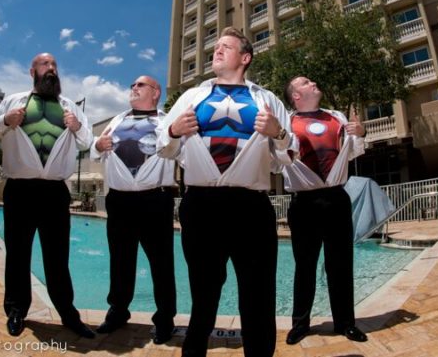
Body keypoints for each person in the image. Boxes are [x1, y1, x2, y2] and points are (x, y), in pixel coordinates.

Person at [157, 27, 296, 357]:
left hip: (251, 207)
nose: (216, 51)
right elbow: (163, 146)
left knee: (258, 296)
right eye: (216, 47)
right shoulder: (191, 96)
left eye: (226, 47)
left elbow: (286, 158)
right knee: (203, 295)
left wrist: (278, 133)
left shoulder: (267, 99)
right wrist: (175, 130)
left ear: (244, 58)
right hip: (201, 205)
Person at [0, 53, 95, 339]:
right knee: (18, 254)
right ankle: (17, 311)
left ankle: (68, 314)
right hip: (20, 190)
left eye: (55, 66)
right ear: (32, 71)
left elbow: (88, 142)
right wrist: (6, 121)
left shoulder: (69, 107)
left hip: (55, 192)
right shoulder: (14, 101)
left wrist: (77, 126)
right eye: (46, 66)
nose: (52, 70)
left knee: (58, 257)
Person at [281, 76, 368, 345]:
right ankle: (300, 324)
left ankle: (346, 323)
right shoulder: (285, 122)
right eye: (306, 82)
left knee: (340, 265)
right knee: (304, 266)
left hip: (337, 199)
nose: (313, 82)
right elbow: (276, 157)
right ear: (296, 95)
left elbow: (352, 152)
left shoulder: (336, 117)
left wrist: (359, 133)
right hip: (304, 203)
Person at [90, 75, 177, 344]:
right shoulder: (117, 120)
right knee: (120, 260)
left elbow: (179, 150)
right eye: (132, 85)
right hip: (119, 201)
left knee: (161, 263)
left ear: (156, 92)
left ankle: (165, 318)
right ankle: (118, 311)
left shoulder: (167, 121)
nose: (133, 88)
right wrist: (97, 145)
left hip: (156, 200)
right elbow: (96, 149)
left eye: (140, 85)